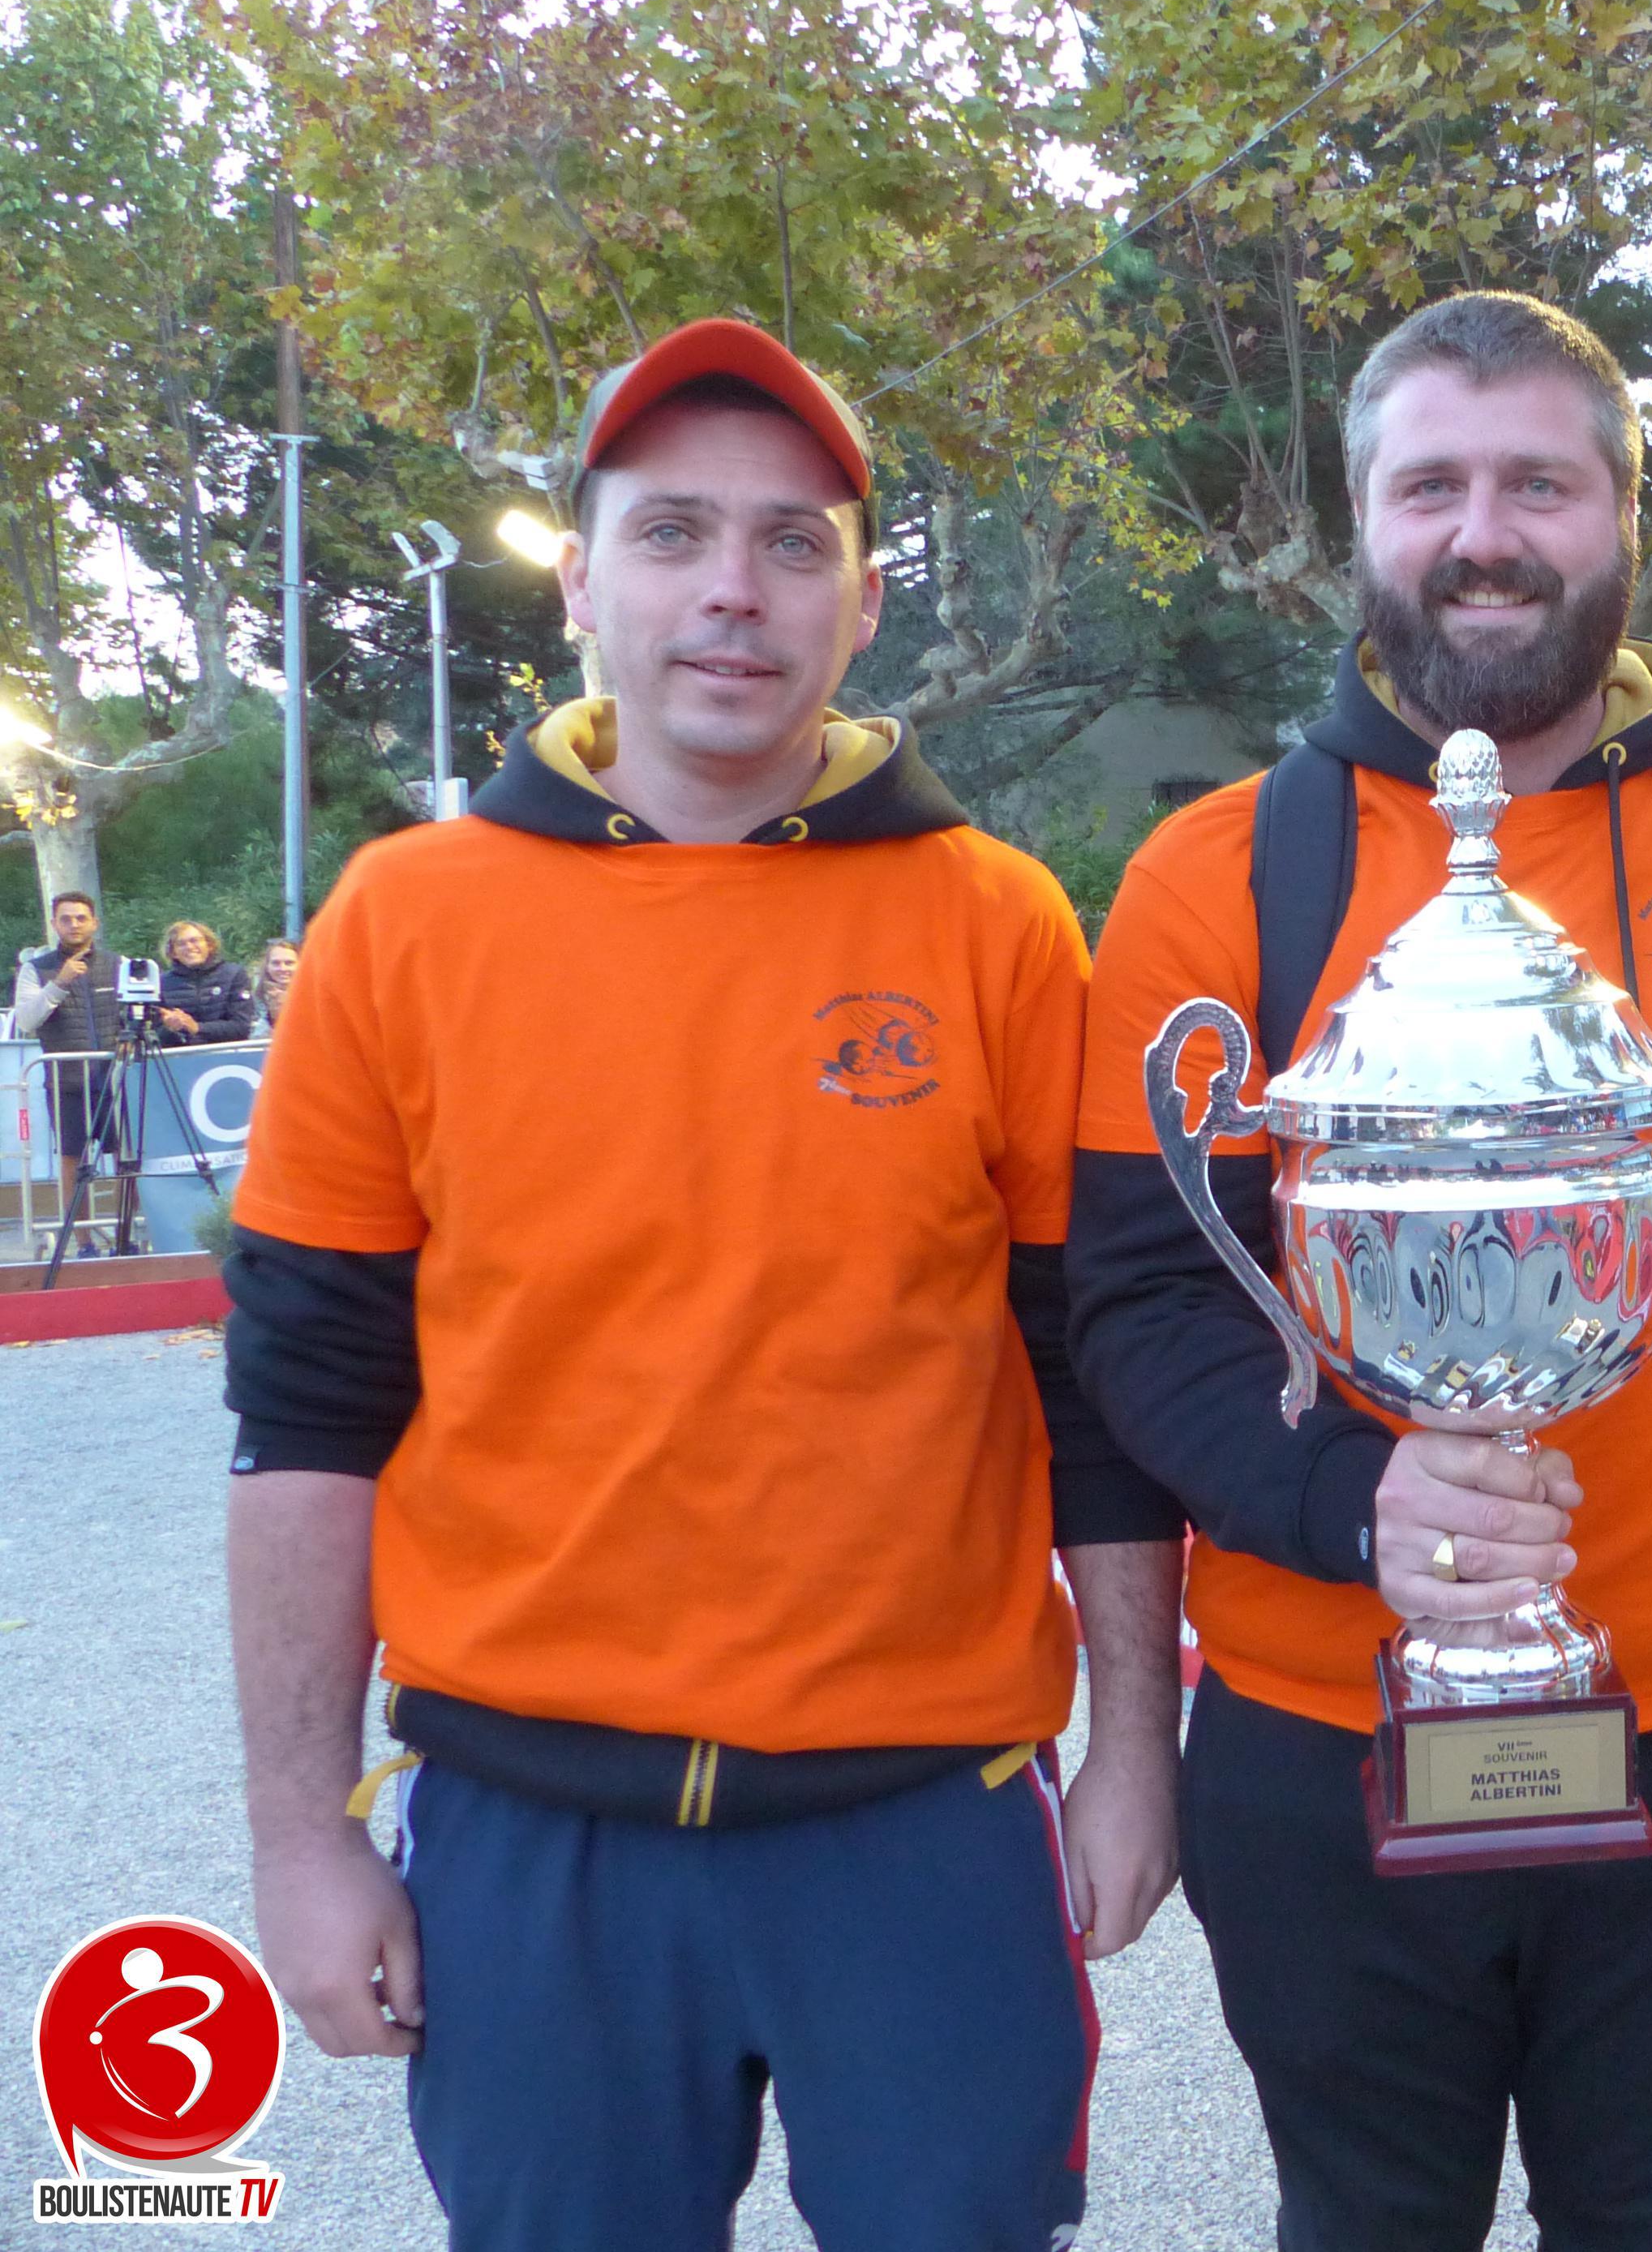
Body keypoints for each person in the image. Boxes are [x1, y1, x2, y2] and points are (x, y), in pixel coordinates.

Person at [221, 316, 1184, 2252]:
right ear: (578, 577)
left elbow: (1086, 1372)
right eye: (671, 534)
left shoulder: (995, 922)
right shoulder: (404, 923)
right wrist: (300, 1837)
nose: (732, 591)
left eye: (791, 541)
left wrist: (1135, 1748)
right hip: (529, 1844)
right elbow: (310, 1409)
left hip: (921, 1830)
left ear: (863, 599)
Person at [1069, 291, 1652, 2252]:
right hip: (1317, 1724)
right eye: (1430, 483)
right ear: (1365, 519)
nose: (1482, 531)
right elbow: (1137, 1299)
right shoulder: (1217, 871)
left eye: (1538, 480)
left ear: (1624, 517)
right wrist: (1363, 1500)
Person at [13, 890, 125, 1214]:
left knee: (125, 1156)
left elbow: (138, 1013)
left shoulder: (118, 964)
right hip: (68, 1082)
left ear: (95, 923)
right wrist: (58, 983)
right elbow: (26, 1020)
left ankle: (126, 1237)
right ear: (53, 924)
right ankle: (82, 1243)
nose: (74, 925)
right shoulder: (36, 970)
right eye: (66, 919)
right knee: (72, 1159)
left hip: (115, 1078)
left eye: (81, 918)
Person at [157, 919, 255, 1044]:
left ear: (210, 945)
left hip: (226, 1057)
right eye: (181, 944)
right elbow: (152, 1036)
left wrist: (197, 1028)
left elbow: (242, 1027)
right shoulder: (161, 983)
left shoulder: (234, 974)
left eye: (195, 940)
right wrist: (170, 1029)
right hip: (179, 1059)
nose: (189, 947)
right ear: (173, 953)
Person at [253, 936, 299, 1032]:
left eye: (289, 963)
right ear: (267, 967)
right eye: (276, 963)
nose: (282, 969)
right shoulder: (255, 1000)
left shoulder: (315, 997)